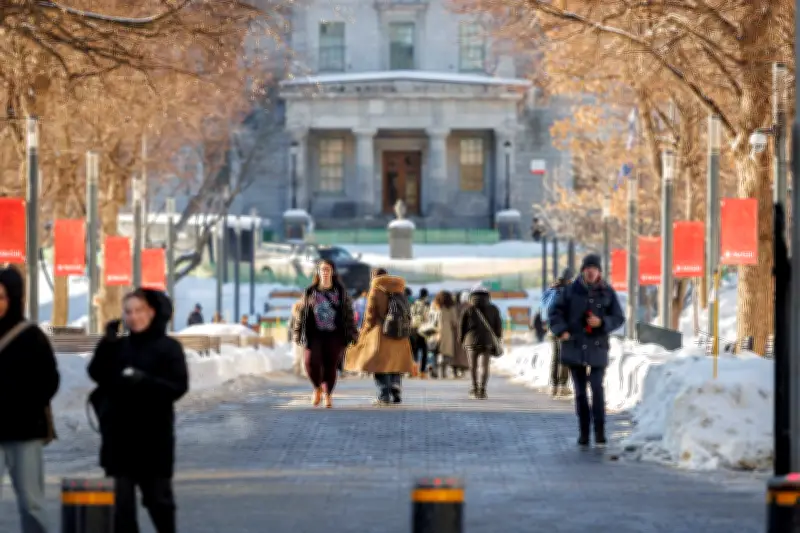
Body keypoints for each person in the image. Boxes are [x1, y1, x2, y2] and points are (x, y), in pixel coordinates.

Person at [87, 288, 189, 533]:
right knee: (121, 507)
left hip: (153, 439)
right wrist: (106, 343)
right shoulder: (119, 346)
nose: (133, 317)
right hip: (118, 439)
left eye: (139, 311)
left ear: (152, 313)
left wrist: (145, 381)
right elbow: (96, 373)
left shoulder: (169, 348)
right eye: (128, 312)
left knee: (158, 501)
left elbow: (178, 386)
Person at [0, 266, 60, 533]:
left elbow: (49, 381)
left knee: (32, 501)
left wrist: (22, 404)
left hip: (24, 431)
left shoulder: (31, 337)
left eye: (1, 297)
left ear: (13, 298)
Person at [548, 254, 625, 447]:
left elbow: (618, 317)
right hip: (574, 346)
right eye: (588, 268)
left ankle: (599, 431)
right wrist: (561, 331)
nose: (591, 271)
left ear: (599, 272)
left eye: (594, 268)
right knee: (581, 392)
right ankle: (584, 432)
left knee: (597, 388)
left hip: (597, 347)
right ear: (583, 271)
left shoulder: (607, 292)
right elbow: (554, 313)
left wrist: (602, 323)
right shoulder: (570, 291)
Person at [292, 259, 357, 408]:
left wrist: (352, 333)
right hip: (314, 333)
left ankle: (328, 395)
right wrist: (297, 332)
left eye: (328, 269)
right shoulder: (310, 291)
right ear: (318, 272)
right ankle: (317, 388)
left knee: (330, 365)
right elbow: (302, 314)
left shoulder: (340, 292)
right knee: (310, 362)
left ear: (332, 272)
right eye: (323, 269)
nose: (325, 272)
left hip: (335, 334)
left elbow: (348, 314)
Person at [345, 268, 415, 405]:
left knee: (379, 365)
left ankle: (384, 395)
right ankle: (395, 386)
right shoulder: (398, 288)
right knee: (395, 362)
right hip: (399, 332)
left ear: (373, 277)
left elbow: (370, 315)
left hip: (380, 333)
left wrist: (364, 332)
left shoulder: (375, 289)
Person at [459, 285, 503, 399]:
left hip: (471, 340)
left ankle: (474, 389)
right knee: (484, 366)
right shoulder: (493, 309)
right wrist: (498, 337)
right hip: (487, 340)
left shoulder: (468, 309)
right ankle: (482, 390)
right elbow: (498, 326)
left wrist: (461, 339)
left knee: (472, 366)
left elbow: (462, 327)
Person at [540, 268, 574, 397]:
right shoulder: (568, 292)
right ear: (569, 279)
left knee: (555, 356)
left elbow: (542, 310)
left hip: (551, 327)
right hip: (564, 328)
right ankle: (562, 386)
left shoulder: (550, 291)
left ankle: (553, 385)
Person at [426, 291, 461, 379]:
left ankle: (434, 368)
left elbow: (427, 317)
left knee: (434, 351)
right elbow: (454, 322)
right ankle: (443, 372)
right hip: (446, 332)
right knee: (446, 354)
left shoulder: (433, 305)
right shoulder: (451, 308)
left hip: (433, 330)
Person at [409, 288, 431, 378]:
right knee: (424, 351)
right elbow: (427, 318)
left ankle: (413, 371)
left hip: (412, 330)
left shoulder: (413, 304)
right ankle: (422, 372)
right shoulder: (426, 305)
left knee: (414, 351)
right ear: (425, 295)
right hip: (422, 330)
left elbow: (409, 316)